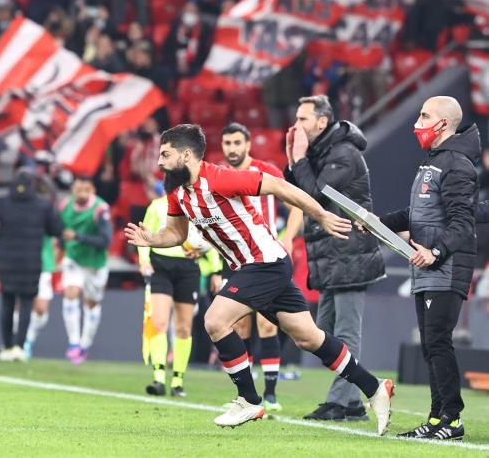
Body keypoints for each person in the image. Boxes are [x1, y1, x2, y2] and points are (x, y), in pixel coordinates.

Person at [124, 124, 393, 434]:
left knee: (215, 320)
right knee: (308, 337)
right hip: (251, 267)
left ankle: (249, 400)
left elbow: (279, 186)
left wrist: (319, 215)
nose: (159, 161)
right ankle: (375, 388)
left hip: (265, 263)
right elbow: (176, 234)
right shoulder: (176, 191)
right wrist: (152, 239)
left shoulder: (220, 178)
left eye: (166, 154)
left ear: (186, 155)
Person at [376, 97, 479, 441]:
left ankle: (451, 419)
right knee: (430, 345)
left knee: (437, 342)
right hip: (430, 264)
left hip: (445, 265)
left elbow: (463, 223)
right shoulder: (434, 161)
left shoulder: (457, 164)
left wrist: (435, 252)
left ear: (444, 124)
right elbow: (417, 215)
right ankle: (437, 419)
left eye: (424, 116)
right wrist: (377, 223)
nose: (416, 122)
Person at [283, 95, 385, 422]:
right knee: (322, 331)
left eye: (302, 119)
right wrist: (292, 159)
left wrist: (299, 158)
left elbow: (316, 197)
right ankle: (353, 402)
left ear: (321, 122)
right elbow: (297, 190)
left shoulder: (343, 153)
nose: (297, 125)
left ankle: (341, 403)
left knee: (345, 331)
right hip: (329, 254)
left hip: (350, 252)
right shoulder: (322, 152)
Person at [221, 122, 303, 413]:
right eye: (227, 143)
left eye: (236, 143)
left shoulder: (265, 171)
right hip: (235, 258)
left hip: (266, 257)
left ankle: (270, 394)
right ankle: (247, 394)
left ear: (247, 145)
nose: (232, 149)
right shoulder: (219, 175)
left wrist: (288, 238)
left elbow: (295, 204)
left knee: (267, 323)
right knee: (239, 323)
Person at [137, 181, 216, 397]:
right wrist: (144, 260)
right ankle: (159, 377)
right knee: (159, 321)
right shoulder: (156, 206)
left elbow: (210, 236)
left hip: (188, 268)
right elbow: (144, 236)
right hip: (160, 265)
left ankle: (178, 380)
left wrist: (216, 269)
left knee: (183, 328)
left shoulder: (195, 208)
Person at [0, 169, 62, 363]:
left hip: (6, 259)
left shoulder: (0, 203)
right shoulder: (42, 206)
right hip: (31, 260)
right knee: (26, 303)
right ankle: (19, 346)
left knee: (7, 302)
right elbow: (56, 229)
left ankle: (7, 346)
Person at [59, 175, 112, 365]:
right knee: (71, 292)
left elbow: (106, 241)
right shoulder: (64, 206)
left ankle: (84, 344)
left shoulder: (100, 209)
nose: (81, 194)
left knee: (91, 304)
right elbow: (59, 230)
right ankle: (73, 343)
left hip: (95, 264)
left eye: (85, 190)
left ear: (92, 191)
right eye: (78, 190)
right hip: (74, 258)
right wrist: (61, 238)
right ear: (73, 190)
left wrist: (78, 237)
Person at [23, 173, 60, 361]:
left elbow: (56, 232)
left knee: (41, 309)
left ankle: (27, 339)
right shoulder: (22, 208)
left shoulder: (48, 210)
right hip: (23, 261)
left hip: (44, 263)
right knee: (20, 304)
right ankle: (18, 341)